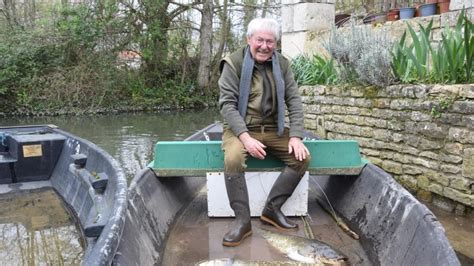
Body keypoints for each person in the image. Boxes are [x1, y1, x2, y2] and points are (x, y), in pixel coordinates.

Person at [218, 17, 311, 247]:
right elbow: (227, 105)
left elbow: (295, 101)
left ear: (276, 44)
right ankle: (242, 221)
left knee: (302, 158)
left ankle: (272, 209)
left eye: (270, 41)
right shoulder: (233, 63)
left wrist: (296, 136)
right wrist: (245, 137)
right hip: (240, 128)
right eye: (259, 40)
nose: (264, 46)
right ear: (249, 39)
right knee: (233, 157)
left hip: (273, 127)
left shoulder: (283, 64)